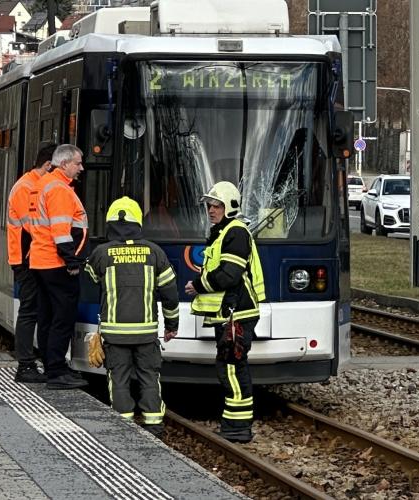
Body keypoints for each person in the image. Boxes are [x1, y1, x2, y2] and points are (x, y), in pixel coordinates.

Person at [85, 197, 179, 437]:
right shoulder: (154, 252)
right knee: (149, 376)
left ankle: (123, 424)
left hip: (115, 334)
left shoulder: (101, 253)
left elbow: (91, 278)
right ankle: (154, 423)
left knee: (118, 377)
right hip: (146, 333)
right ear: (139, 223)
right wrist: (171, 325)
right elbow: (170, 293)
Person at [185, 181, 265, 444]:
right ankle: (234, 425)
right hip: (231, 314)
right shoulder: (224, 233)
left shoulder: (236, 232)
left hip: (238, 314)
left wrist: (197, 285)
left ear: (229, 206)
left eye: (216, 205)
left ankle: (238, 427)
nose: (211, 210)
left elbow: (229, 275)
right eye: (209, 205)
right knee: (231, 367)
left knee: (232, 368)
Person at [29, 144, 89, 390]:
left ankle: (53, 365)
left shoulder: (45, 184)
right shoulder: (59, 190)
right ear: (64, 164)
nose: (81, 168)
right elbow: (61, 232)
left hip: (41, 261)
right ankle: (56, 370)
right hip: (56, 263)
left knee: (47, 316)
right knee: (62, 317)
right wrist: (71, 261)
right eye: (77, 163)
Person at [7, 142, 56, 383]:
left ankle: (41, 361)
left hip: (34, 257)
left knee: (39, 309)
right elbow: (33, 226)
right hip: (25, 260)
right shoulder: (26, 188)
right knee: (29, 310)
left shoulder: (35, 185)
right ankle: (25, 364)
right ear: (48, 165)